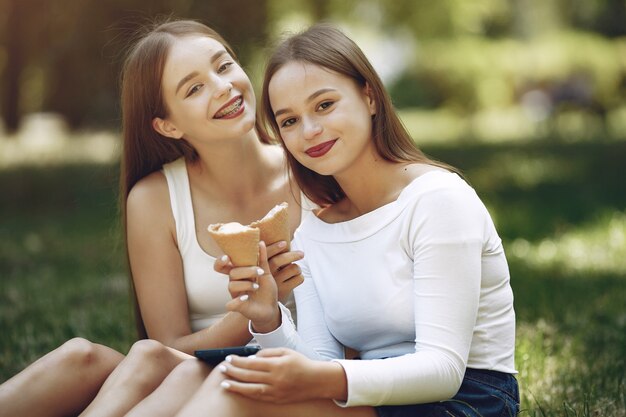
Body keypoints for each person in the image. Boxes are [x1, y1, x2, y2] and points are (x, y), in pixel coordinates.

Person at [175, 23, 519, 417]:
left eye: (324, 105)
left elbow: (443, 371)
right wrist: (269, 317)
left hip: (466, 400)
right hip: (368, 391)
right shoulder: (312, 230)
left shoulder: (438, 200)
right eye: (289, 121)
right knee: (217, 377)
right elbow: (319, 362)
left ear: (369, 96)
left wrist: (323, 381)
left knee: (238, 394)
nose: (310, 131)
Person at [0, 19, 305, 417]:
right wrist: (252, 309)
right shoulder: (154, 198)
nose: (222, 86)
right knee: (82, 357)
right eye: (194, 88)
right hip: (185, 365)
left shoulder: (313, 169)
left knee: (150, 360)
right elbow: (168, 346)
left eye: (224, 65)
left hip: (283, 371)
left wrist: (268, 309)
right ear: (168, 125)